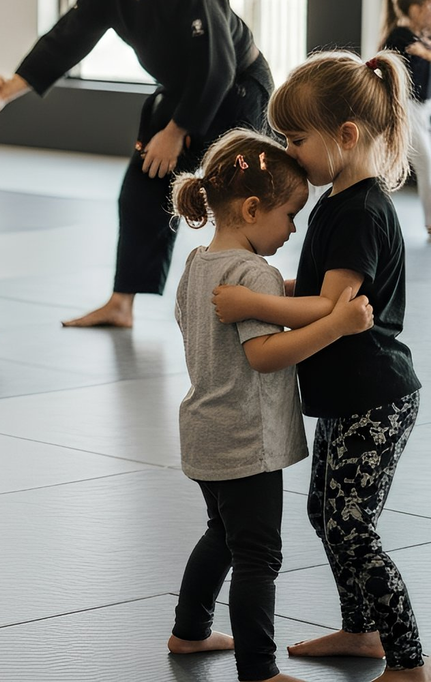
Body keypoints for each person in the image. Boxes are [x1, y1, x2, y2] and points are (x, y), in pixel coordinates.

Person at [213, 52, 425, 681]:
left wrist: (253, 302)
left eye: (296, 140)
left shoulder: (361, 210)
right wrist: (275, 284)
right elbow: (321, 288)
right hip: (345, 394)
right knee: (326, 515)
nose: (289, 152)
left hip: (374, 397)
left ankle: (409, 659)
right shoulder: (338, 198)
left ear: (346, 136)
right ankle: (361, 631)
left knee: (352, 528)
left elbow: (333, 308)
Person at [0, 0, 273, 328]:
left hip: (238, 90)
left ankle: (255, 299)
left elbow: (217, 70)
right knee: (142, 186)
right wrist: (6, 93)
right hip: (181, 92)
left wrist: (176, 130)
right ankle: (121, 304)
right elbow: (64, 40)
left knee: (235, 195)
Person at [165, 129, 372, 682]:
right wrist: (336, 323)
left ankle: (190, 632)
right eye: (290, 215)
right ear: (253, 209)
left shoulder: (198, 263)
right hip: (245, 438)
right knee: (259, 556)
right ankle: (258, 670)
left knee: (221, 536)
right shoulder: (253, 273)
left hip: (204, 428)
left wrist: (314, 297)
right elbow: (264, 355)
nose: (293, 229)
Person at [380, 0, 431, 236]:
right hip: (406, 110)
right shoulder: (400, 38)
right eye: (428, 5)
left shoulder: (423, 39)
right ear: (415, 9)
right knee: (426, 165)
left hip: (423, 110)